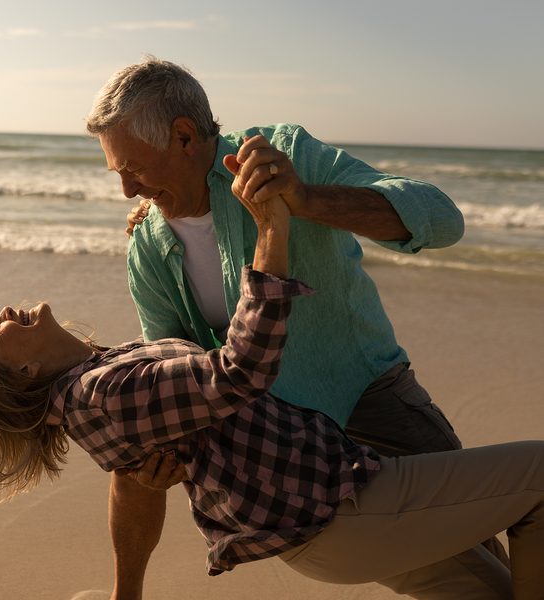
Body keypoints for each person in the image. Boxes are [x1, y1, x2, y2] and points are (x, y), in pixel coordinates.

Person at [0, 179, 543, 600]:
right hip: (344, 507)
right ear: (24, 374)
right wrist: (270, 228)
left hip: (321, 523)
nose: (5, 313)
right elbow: (238, 370)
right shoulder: (102, 393)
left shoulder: (102, 384)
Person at [83, 56, 509, 598]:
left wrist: (307, 199)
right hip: (285, 440)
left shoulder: (285, 153)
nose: (125, 190)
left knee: (482, 545)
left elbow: (442, 218)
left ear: (185, 137)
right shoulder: (147, 247)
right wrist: (160, 457)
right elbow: (173, 366)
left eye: (133, 169)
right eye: (118, 172)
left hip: (369, 396)